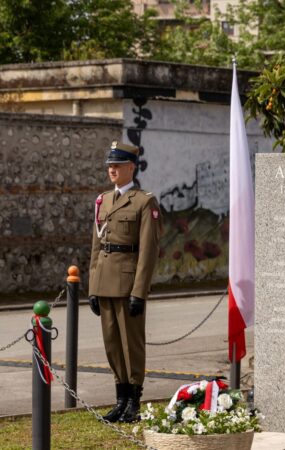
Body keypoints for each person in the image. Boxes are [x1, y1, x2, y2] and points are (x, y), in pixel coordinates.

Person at [88, 141, 161, 423]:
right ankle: (120, 398)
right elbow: (96, 246)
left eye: (117, 165)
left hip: (128, 283)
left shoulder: (144, 202)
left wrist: (139, 292)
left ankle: (133, 401)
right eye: (110, 165)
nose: (112, 170)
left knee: (131, 344)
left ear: (132, 167)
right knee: (111, 343)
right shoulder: (103, 201)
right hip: (105, 281)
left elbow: (148, 251)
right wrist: (93, 287)